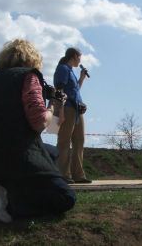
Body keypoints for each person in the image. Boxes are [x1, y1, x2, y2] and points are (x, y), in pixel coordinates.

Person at [0, 39, 76, 223]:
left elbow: (42, 127)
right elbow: (39, 123)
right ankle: (11, 203)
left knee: (51, 152)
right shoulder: (29, 76)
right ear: (32, 59)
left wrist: (53, 104)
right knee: (65, 197)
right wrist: (53, 106)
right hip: (12, 154)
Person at [54, 48, 91, 184]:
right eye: (80, 57)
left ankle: (78, 175)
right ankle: (63, 175)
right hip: (67, 109)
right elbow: (59, 91)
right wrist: (61, 112)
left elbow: (74, 90)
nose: (80, 60)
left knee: (79, 140)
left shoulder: (71, 72)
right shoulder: (62, 69)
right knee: (64, 141)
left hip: (77, 110)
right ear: (75, 56)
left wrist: (81, 78)